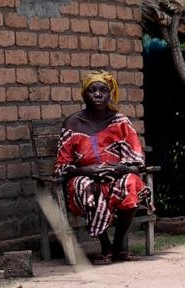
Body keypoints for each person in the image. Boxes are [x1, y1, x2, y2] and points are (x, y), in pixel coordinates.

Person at [54, 70, 151, 265]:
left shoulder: (120, 122)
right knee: (85, 186)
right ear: (84, 94)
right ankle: (105, 246)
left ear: (110, 94)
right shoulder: (73, 123)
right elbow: (61, 167)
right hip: (83, 180)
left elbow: (136, 160)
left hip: (115, 177)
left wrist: (116, 169)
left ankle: (119, 245)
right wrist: (86, 170)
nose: (98, 94)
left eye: (103, 91)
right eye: (92, 90)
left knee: (132, 183)